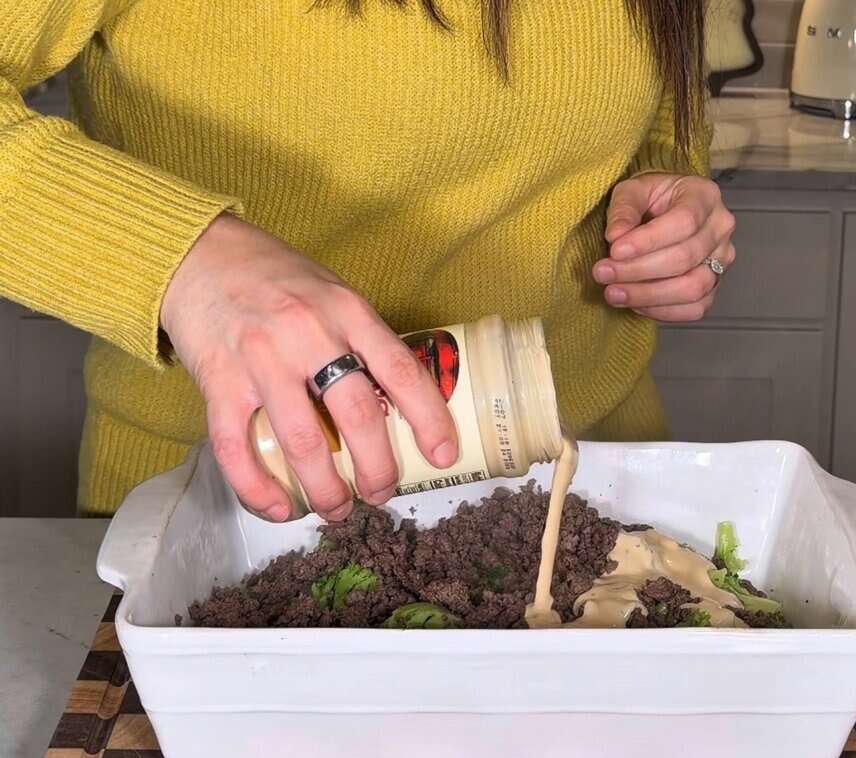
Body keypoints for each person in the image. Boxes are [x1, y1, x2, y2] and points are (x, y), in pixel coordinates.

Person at [0, 0, 736, 522]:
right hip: (246, 491)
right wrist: (182, 260)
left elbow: (658, 103)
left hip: (588, 465)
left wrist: (669, 189)